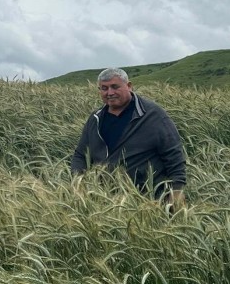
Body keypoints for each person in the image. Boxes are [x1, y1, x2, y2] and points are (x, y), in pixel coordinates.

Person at [71, 67, 186, 208]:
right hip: (106, 203)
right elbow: (81, 155)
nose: (110, 93)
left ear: (129, 86)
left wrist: (177, 190)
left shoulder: (152, 115)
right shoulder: (95, 119)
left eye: (115, 87)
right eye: (104, 88)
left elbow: (174, 155)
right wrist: (78, 183)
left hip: (150, 202)